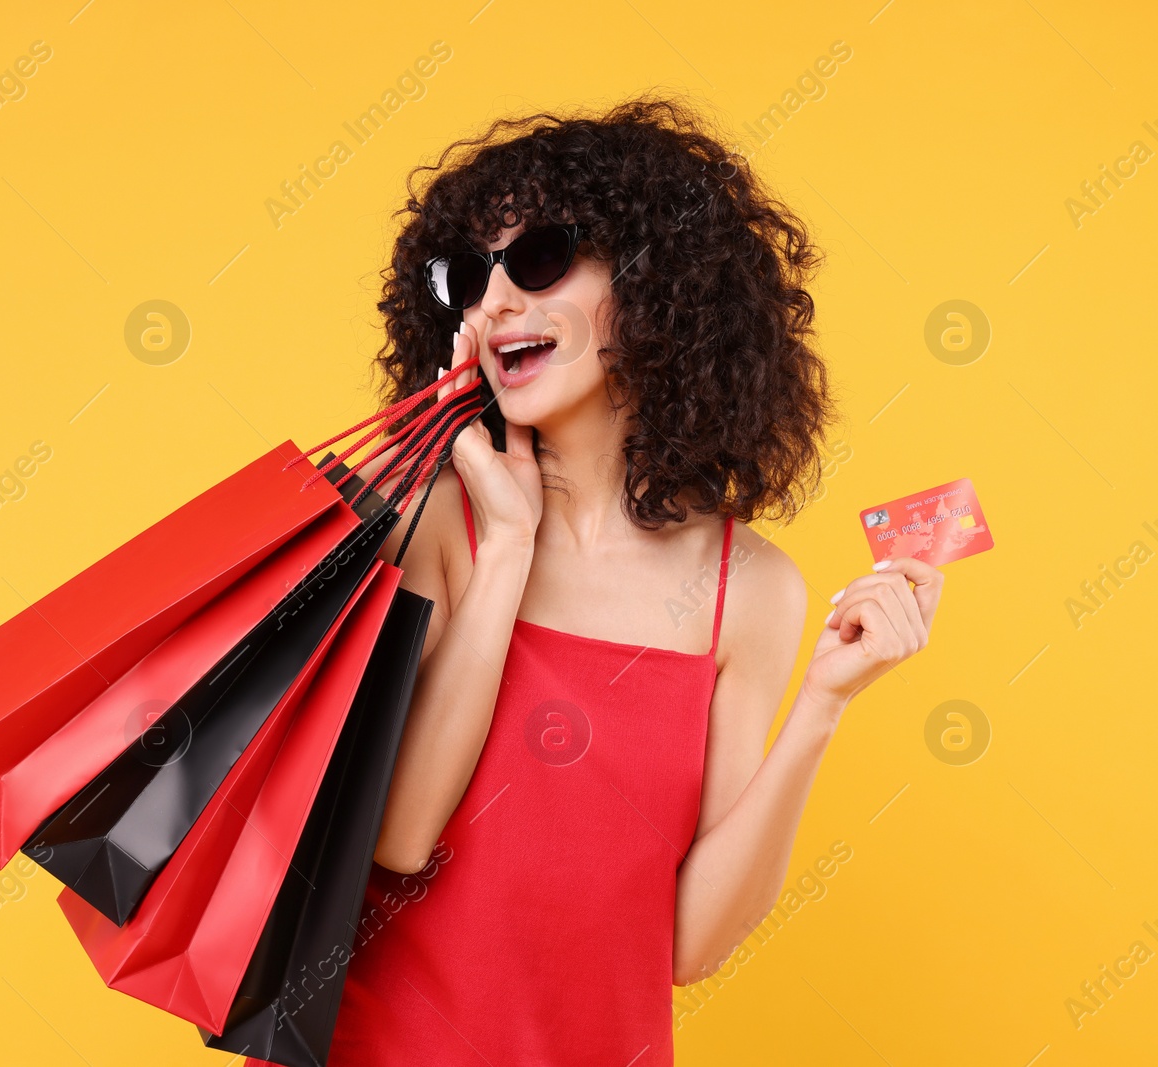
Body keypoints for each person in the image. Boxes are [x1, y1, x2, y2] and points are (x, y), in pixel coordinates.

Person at [310, 98, 943, 1066]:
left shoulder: (748, 588)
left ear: (658, 286)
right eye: (470, 279)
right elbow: (398, 835)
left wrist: (823, 702)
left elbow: (686, 946)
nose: (494, 305)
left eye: (538, 260)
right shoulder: (427, 516)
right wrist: (510, 548)